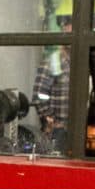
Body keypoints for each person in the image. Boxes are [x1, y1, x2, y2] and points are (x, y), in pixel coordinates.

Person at [32, 19, 71, 152]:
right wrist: (54, 122)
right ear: (64, 30)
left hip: (75, 130)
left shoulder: (78, 63)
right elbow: (39, 97)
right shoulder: (53, 62)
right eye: (69, 27)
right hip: (58, 131)